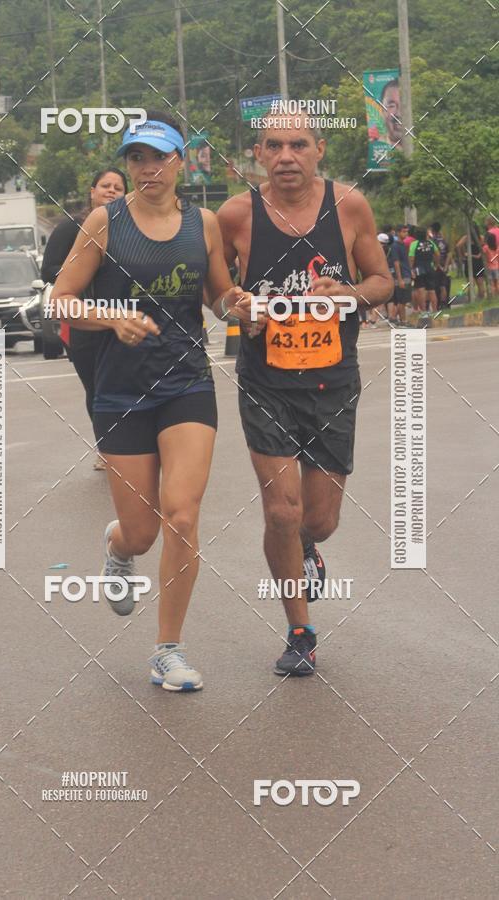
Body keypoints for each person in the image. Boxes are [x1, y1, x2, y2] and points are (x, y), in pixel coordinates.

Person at [51, 112, 248, 692]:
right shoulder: (104, 222)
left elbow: (217, 296)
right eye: (136, 158)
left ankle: (168, 650)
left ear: (180, 163)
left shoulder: (204, 224)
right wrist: (110, 317)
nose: (147, 169)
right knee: (143, 532)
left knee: (182, 515)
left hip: (187, 384)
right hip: (119, 393)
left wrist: (240, 305)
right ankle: (118, 546)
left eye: (158, 157)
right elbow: (59, 301)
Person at [217, 115, 393, 676]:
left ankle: (309, 546)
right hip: (266, 382)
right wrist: (233, 306)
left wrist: (349, 293)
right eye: (275, 146)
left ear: (319, 150)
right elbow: (216, 287)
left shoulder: (350, 207)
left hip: (332, 381)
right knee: (282, 511)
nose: (287, 155)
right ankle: (300, 630)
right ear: (258, 155)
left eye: (299, 145)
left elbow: (383, 281)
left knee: (319, 520)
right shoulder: (236, 215)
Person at [41, 168, 128, 470]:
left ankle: (136, 446)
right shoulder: (72, 227)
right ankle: (106, 448)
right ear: (92, 191)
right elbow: (48, 269)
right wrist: (84, 273)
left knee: (128, 384)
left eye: (118, 187)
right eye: (105, 185)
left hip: (125, 317)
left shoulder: (133, 227)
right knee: (97, 388)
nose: (111, 191)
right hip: (83, 321)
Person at [409, 227, 440, 314]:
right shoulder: (431, 243)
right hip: (429, 267)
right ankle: (435, 310)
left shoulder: (414, 244)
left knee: (420, 289)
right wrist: (436, 265)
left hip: (418, 268)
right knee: (431, 290)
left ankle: (423, 311)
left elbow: (411, 258)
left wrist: (411, 269)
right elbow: (437, 254)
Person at [389, 224, 412, 324]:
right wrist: (399, 279)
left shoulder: (403, 245)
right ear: (398, 232)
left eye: (406, 231)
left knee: (403, 300)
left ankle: (397, 318)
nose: (405, 233)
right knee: (402, 300)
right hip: (401, 276)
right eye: (403, 231)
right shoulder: (395, 246)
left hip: (406, 273)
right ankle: (401, 320)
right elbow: (396, 263)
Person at [456, 225, 486, 299]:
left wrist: (463, 255)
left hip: (470, 261)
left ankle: (471, 300)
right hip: (479, 262)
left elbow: (458, 246)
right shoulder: (481, 238)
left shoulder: (466, 238)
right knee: (480, 283)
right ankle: (481, 299)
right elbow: (485, 247)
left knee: (471, 283)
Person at [429, 222, 451, 309]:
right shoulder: (444, 241)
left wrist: (437, 265)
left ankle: (438, 305)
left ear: (432, 230)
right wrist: (445, 266)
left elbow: (434, 255)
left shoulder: (432, 241)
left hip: (436, 267)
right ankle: (444, 304)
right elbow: (449, 254)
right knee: (443, 286)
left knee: (435, 287)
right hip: (444, 266)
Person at [380, 78, 402, 147]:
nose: (398, 113)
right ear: (382, 111)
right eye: (392, 106)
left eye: (404, 105)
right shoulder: (377, 145)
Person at [483, 232, 499, 297]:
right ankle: (497, 295)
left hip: (489, 267)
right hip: (496, 267)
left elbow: (483, 255)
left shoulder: (485, 247)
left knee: (491, 283)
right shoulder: (497, 248)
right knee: (497, 282)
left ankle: (492, 295)